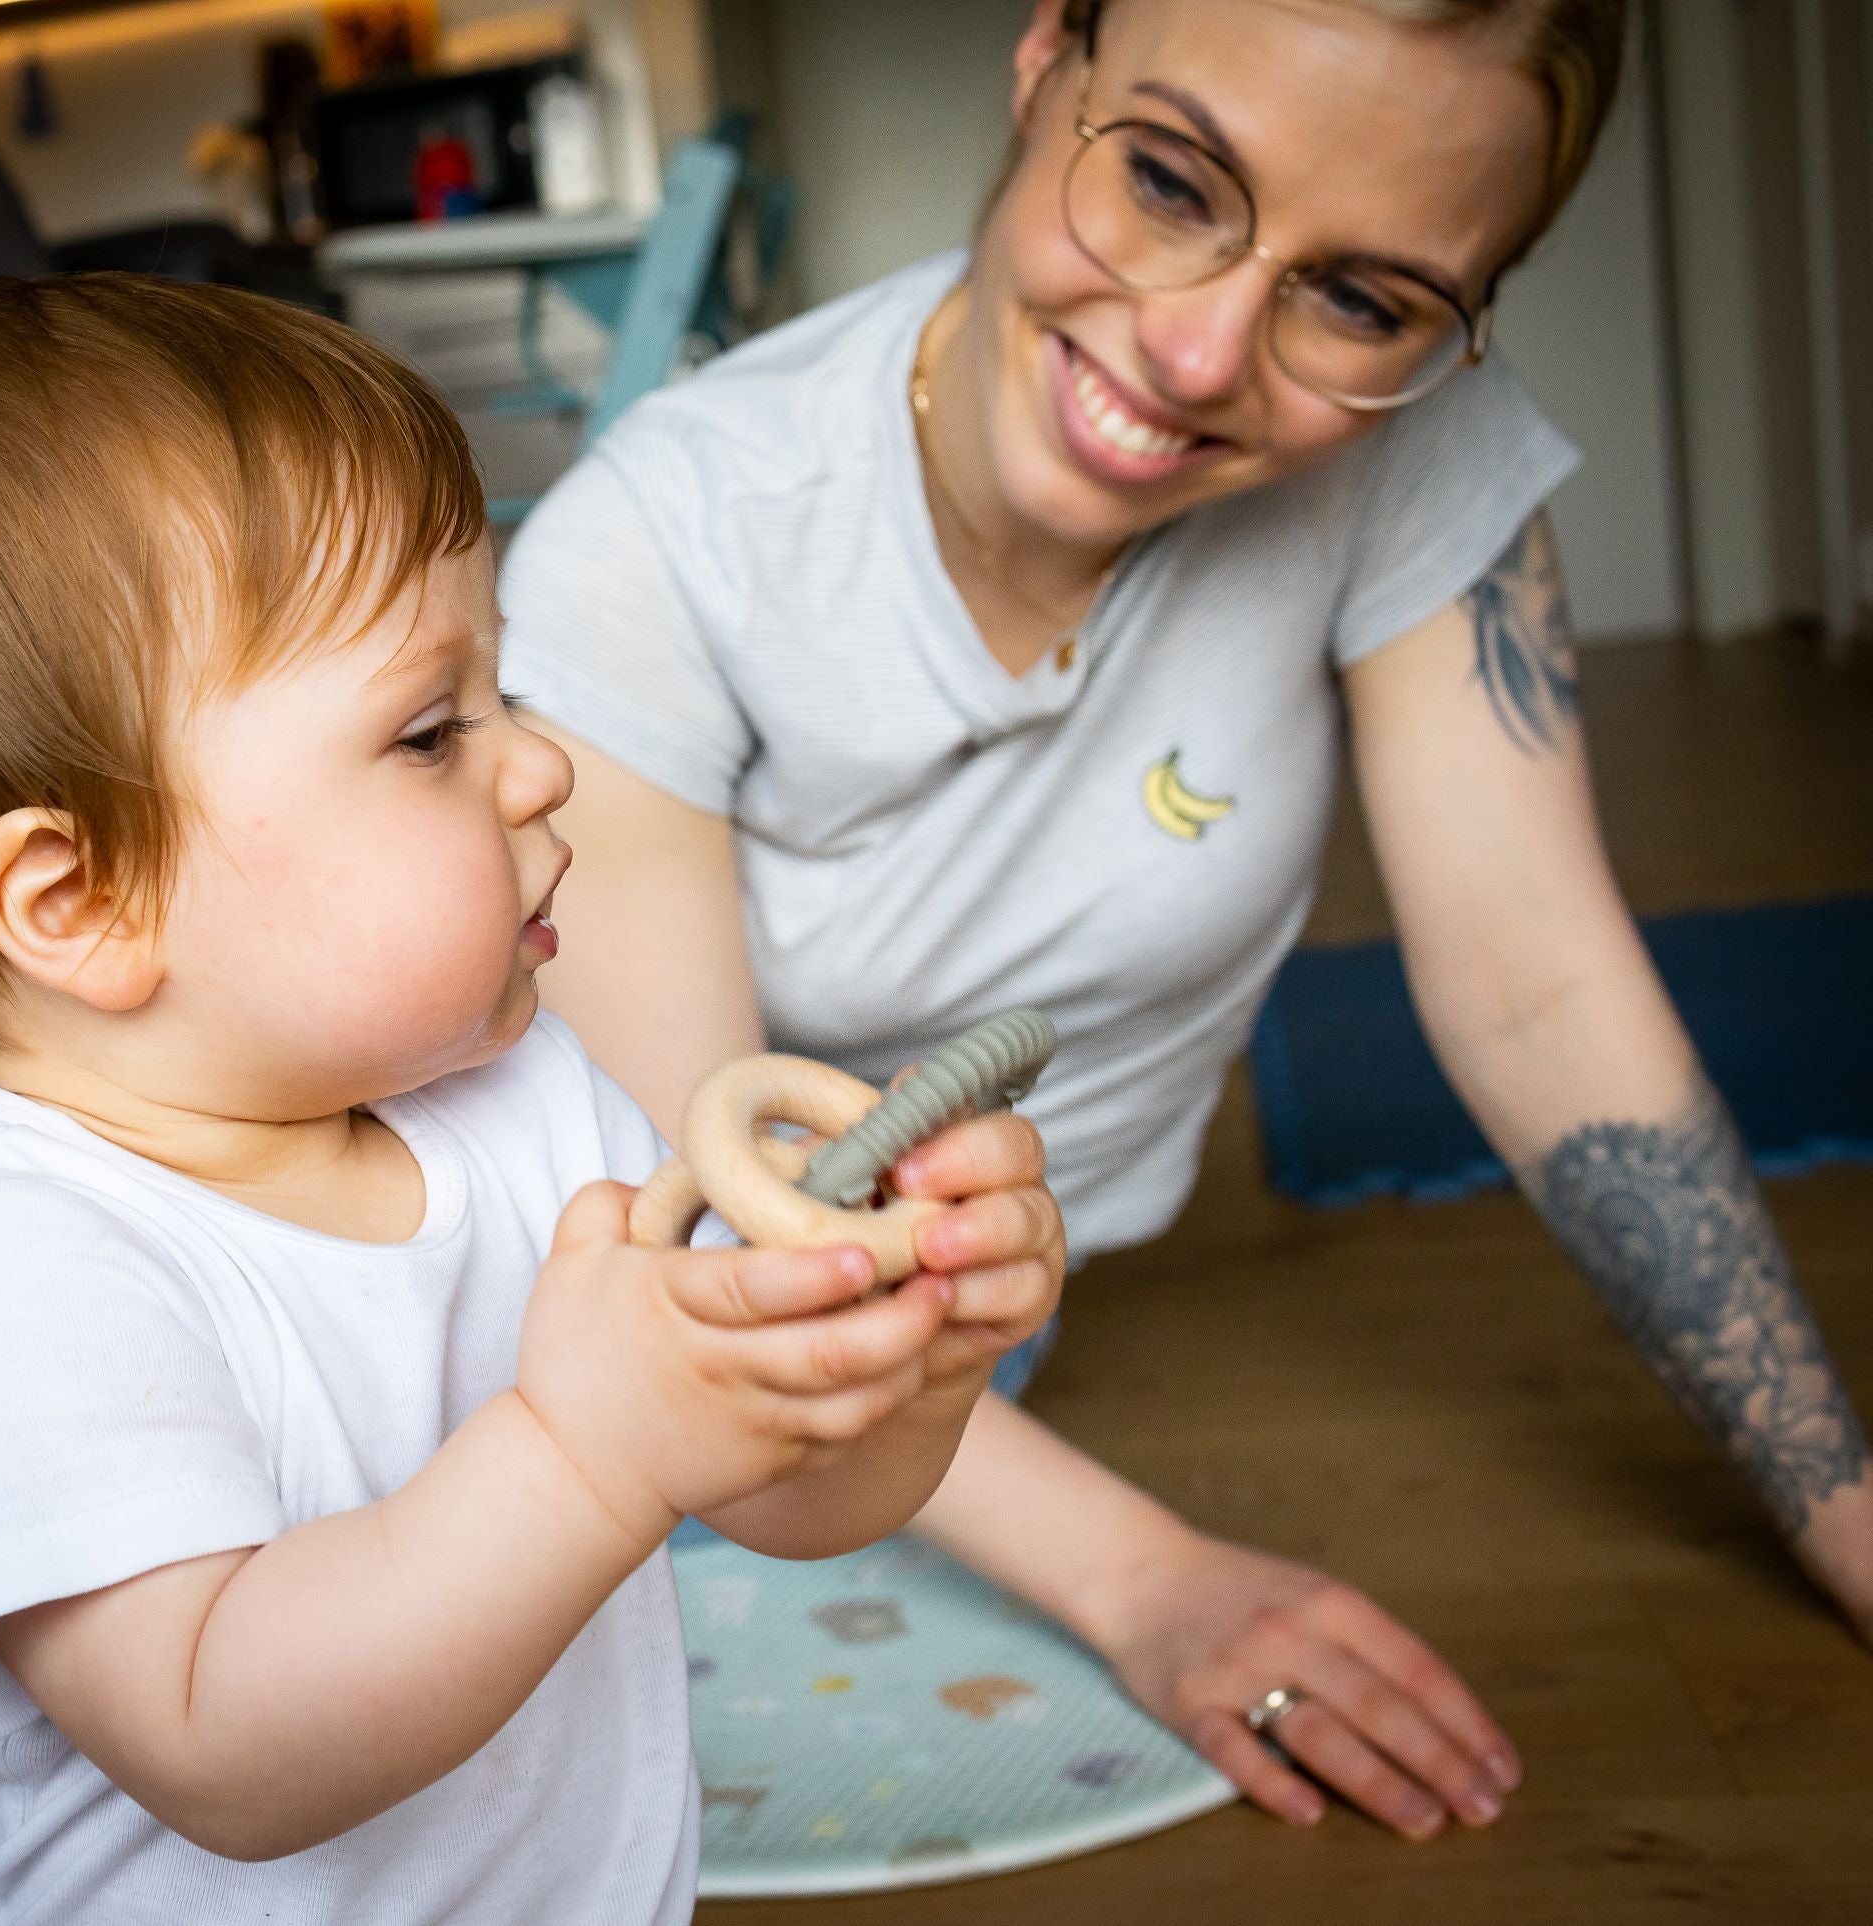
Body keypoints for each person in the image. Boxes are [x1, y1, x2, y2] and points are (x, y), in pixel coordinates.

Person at [495, 0, 1873, 1847]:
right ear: (1043, 63)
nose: (1201, 349)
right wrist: (1146, 1574)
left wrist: (1847, 1512)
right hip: (594, 1284)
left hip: (935, 1342)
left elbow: (1540, 990)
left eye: (1362, 301)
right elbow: (696, 1221)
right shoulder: (662, 537)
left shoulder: (1412, 458)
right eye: (1166, 180)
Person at [0, 275, 1064, 1922]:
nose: (541, 763)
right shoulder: (16, 1279)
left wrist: (905, 1359)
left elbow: (777, 1490)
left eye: (503, 693)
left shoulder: (535, 1100)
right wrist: (585, 1454)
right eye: (430, 731)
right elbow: (227, 1748)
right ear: (82, 902)